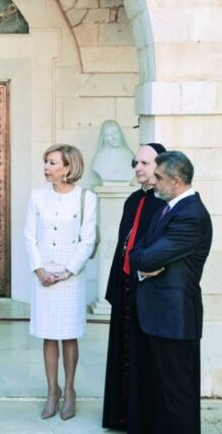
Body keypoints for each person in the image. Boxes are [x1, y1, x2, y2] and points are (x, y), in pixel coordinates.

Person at [130, 151, 212, 434]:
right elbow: (137, 250)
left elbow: (146, 257)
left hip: (174, 320)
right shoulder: (167, 208)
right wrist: (143, 262)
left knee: (178, 397)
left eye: (159, 177)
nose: (153, 181)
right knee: (162, 395)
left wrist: (144, 261)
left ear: (175, 181)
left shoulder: (190, 216)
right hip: (159, 318)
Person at [24, 144, 96, 421]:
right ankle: (52, 391)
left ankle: (69, 390)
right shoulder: (37, 195)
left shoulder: (86, 198)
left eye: (52, 162)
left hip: (70, 277)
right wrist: (39, 269)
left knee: (69, 334)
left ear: (68, 167)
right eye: (46, 162)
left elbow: (87, 240)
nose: (46, 167)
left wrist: (67, 272)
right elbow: (30, 235)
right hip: (43, 275)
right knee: (48, 334)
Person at [102, 143, 166, 431]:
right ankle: (121, 416)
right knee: (123, 350)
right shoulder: (132, 199)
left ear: (160, 166)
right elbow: (123, 245)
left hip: (149, 289)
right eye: (135, 163)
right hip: (126, 284)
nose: (138, 168)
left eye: (144, 163)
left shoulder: (165, 203)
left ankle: (141, 418)